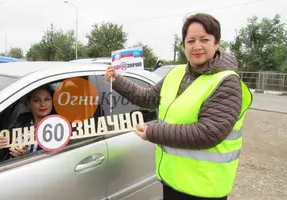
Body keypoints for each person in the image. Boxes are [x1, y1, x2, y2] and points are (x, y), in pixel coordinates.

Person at [105, 13, 252, 200]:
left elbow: (208, 133)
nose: (196, 46)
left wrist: (152, 132)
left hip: (203, 189)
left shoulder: (227, 81)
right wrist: (117, 80)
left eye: (204, 39)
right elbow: (147, 98)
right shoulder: (176, 73)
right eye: (190, 41)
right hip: (172, 180)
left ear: (216, 44)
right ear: (184, 46)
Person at [0, 84, 56, 162]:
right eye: (36, 100)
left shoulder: (58, 126)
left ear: (52, 102)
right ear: (28, 104)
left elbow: (54, 160)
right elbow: (5, 152)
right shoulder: (20, 121)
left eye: (47, 99)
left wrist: (27, 157)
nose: (43, 104)